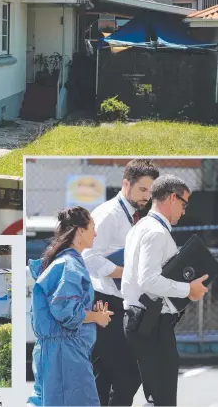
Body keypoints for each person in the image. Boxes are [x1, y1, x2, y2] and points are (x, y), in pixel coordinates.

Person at [122, 175, 209, 407]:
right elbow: (148, 280)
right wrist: (188, 288)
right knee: (163, 399)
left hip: (140, 321)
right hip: (151, 324)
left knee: (151, 397)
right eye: (184, 203)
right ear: (172, 197)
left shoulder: (140, 228)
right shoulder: (156, 232)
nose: (184, 211)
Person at [82, 159, 159, 406]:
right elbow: (87, 256)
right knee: (127, 374)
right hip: (105, 302)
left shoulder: (135, 215)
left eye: (151, 191)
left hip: (120, 302)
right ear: (126, 184)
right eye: (143, 190)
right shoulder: (108, 214)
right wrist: (124, 272)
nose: (147, 196)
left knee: (105, 376)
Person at [27, 207, 114, 407]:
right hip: (67, 355)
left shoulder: (61, 261)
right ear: (80, 230)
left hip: (55, 351)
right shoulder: (70, 264)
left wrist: (92, 313)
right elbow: (64, 309)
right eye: (93, 227)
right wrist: (96, 317)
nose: (96, 233)